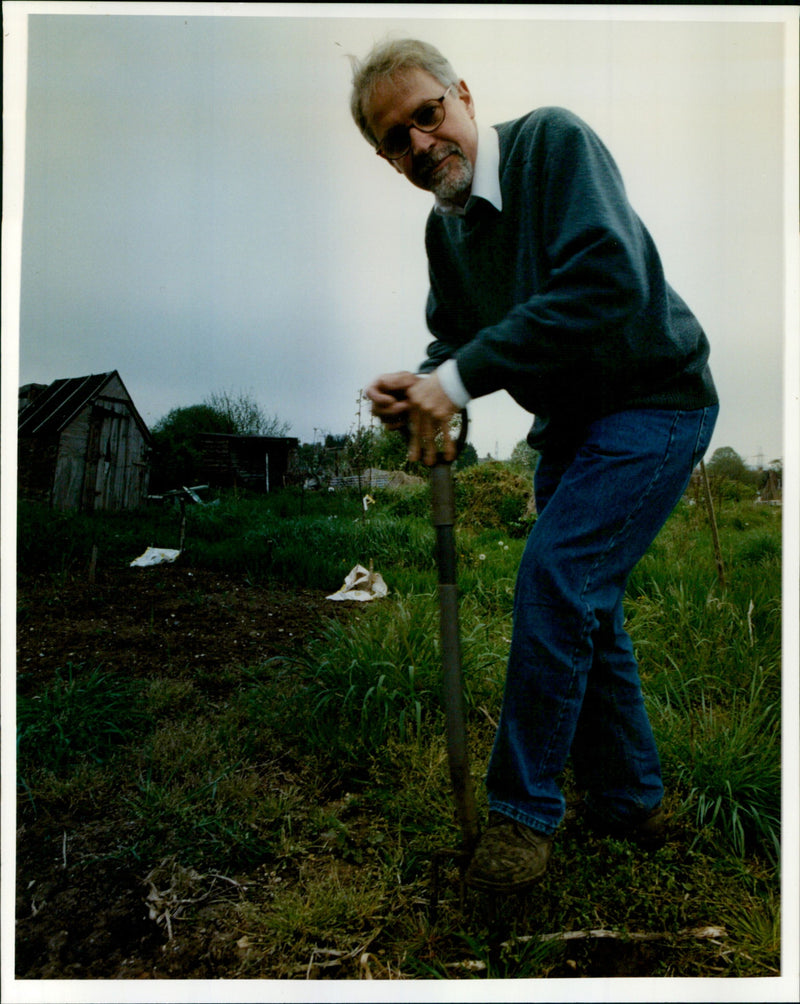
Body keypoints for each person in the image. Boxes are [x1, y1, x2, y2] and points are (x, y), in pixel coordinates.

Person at [350, 38, 719, 893]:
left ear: (463, 95)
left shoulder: (554, 144)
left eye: (426, 115)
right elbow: (457, 339)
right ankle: (632, 801)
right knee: (590, 607)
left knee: (555, 580)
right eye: (393, 141)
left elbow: (606, 282)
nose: (419, 146)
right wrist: (427, 383)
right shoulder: (446, 231)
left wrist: (461, 377)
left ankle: (521, 820)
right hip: (572, 425)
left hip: (657, 399)